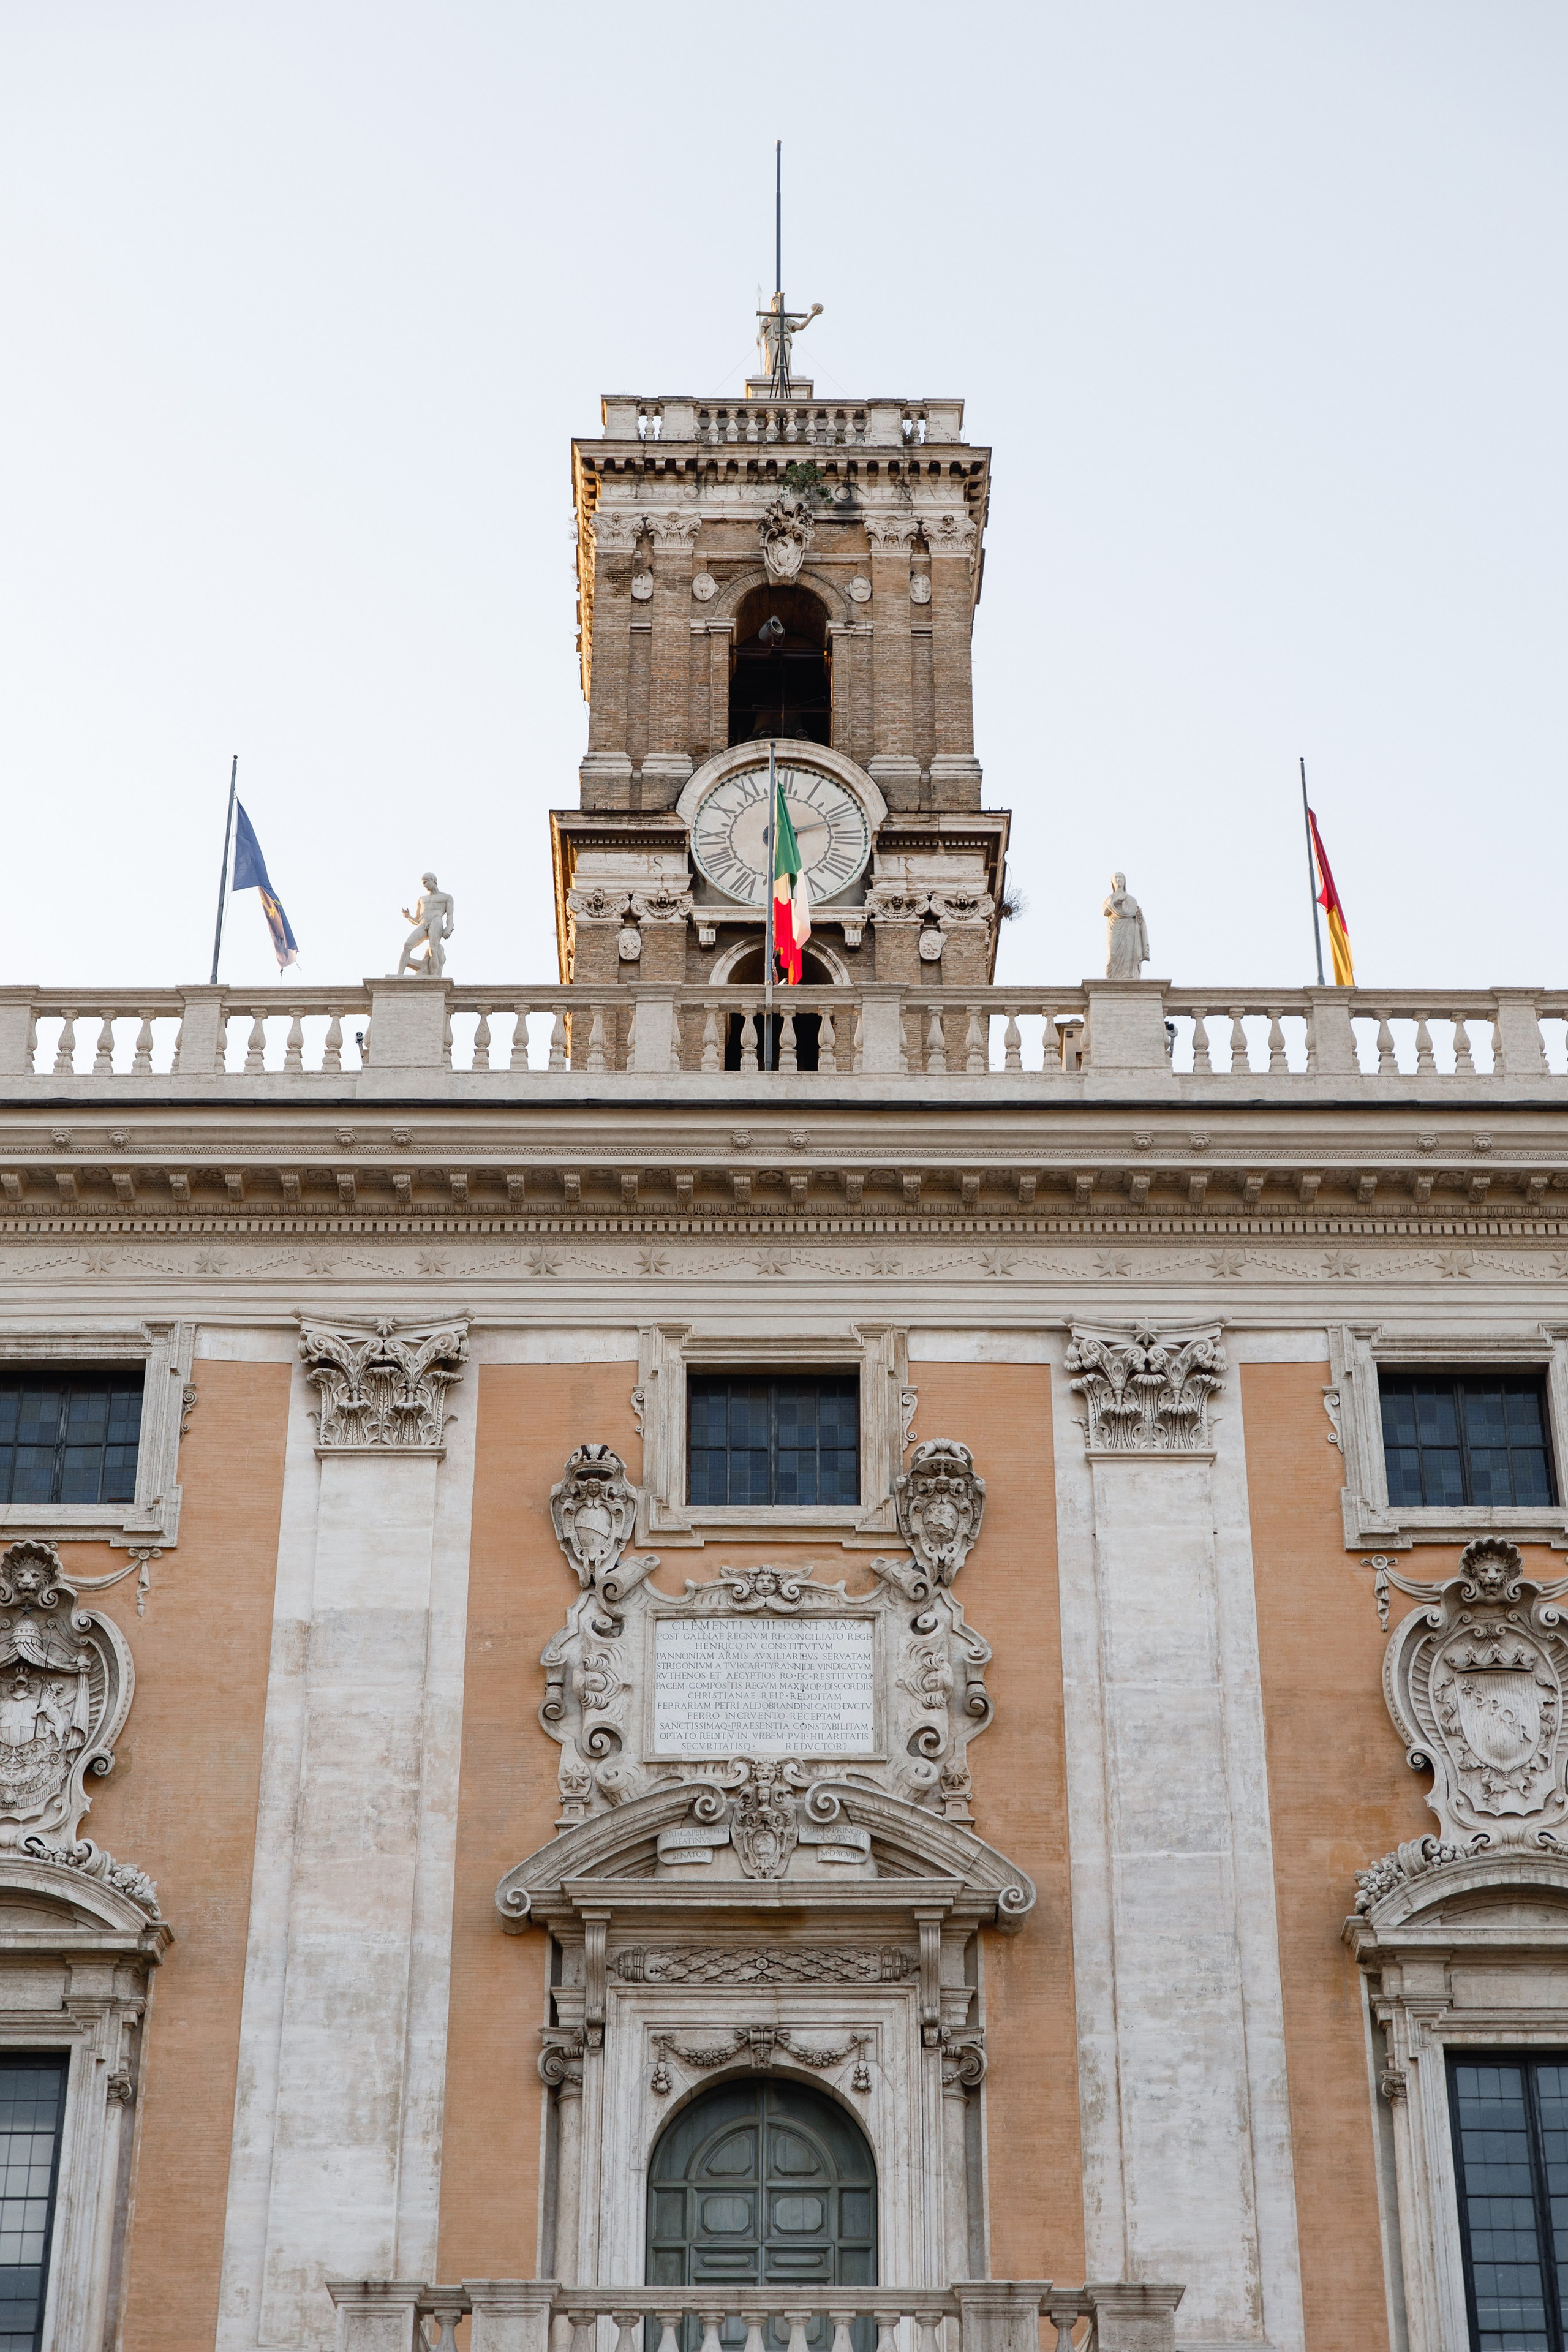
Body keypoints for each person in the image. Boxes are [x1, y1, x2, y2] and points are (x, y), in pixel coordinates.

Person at [397, 873, 455, 977]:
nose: (424, 886)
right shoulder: (422, 899)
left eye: (425, 882)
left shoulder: (446, 897)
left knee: (433, 949)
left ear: (433, 880)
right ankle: (399, 975)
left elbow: (450, 917)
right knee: (407, 945)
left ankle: (434, 977)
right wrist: (408, 916)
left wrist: (448, 929)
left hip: (436, 921)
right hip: (423, 924)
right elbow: (418, 919)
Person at [1103, 873, 1150, 978]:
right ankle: (1112, 979)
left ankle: (1129, 977)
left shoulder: (1132, 900)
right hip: (1114, 928)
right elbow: (1105, 912)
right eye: (1116, 878)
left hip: (1129, 928)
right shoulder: (1109, 899)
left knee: (1129, 954)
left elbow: (1137, 917)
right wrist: (1116, 901)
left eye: (1121, 878)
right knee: (1112, 954)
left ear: (1125, 882)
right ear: (1112, 882)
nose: (1118, 880)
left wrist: (1139, 917)